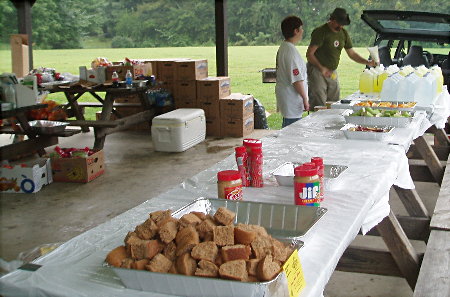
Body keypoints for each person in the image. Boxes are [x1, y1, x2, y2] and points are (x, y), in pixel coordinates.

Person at [306, 8, 377, 110]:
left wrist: (367, 62)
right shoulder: (320, 32)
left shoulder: (343, 33)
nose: (341, 26)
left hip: (332, 71)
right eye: (339, 23)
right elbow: (310, 54)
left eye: (343, 24)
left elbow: (351, 53)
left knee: (334, 102)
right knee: (320, 101)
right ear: (332, 20)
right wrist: (321, 68)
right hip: (317, 70)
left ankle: (331, 123)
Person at [275, 15, 309, 128]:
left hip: (289, 98)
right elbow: (297, 80)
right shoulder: (290, 51)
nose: (302, 31)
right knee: (292, 132)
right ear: (296, 31)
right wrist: (305, 98)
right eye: (301, 28)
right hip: (292, 98)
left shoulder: (285, 47)